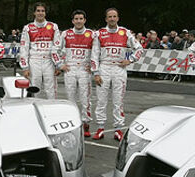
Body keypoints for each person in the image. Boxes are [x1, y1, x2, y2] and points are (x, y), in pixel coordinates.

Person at [91, 8, 144, 140]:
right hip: (104, 67)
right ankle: (100, 128)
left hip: (119, 68)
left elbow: (139, 48)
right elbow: (94, 54)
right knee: (101, 100)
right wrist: (96, 73)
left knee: (118, 101)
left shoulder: (125, 32)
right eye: (110, 17)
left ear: (118, 18)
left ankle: (118, 129)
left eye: (114, 16)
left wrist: (130, 60)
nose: (112, 19)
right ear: (106, 19)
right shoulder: (99, 33)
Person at [60, 10, 95, 136]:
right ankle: (73, 123)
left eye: (81, 18)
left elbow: (97, 52)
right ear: (73, 21)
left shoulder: (92, 34)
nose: (79, 21)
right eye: (76, 19)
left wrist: (93, 66)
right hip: (70, 69)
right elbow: (55, 49)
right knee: (70, 99)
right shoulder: (66, 34)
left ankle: (86, 123)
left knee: (85, 98)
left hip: (84, 70)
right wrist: (60, 65)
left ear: (84, 20)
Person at [18, 2, 62, 99]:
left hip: (49, 60)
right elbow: (24, 48)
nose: (40, 13)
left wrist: (57, 64)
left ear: (45, 13)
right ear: (34, 13)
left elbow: (57, 47)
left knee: (51, 88)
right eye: (38, 11)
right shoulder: (28, 28)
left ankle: (51, 109)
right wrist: (25, 67)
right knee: (34, 87)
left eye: (42, 11)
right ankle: (34, 109)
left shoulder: (53, 26)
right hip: (34, 61)